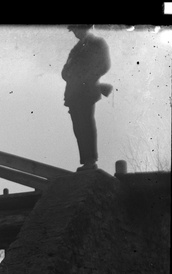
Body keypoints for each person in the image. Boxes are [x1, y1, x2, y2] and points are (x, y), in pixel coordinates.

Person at [61, 24, 112, 171]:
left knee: (86, 126)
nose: (75, 33)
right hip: (73, 94)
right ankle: (86, 162)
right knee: (78, 128)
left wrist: (86, 79)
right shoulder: (75, 49)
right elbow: (65, 71)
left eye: (76, 29)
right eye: (73, 30)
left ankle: (90, 162)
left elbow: (104, 65)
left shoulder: (98, 43)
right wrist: (71, 76)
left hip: (86, 92)